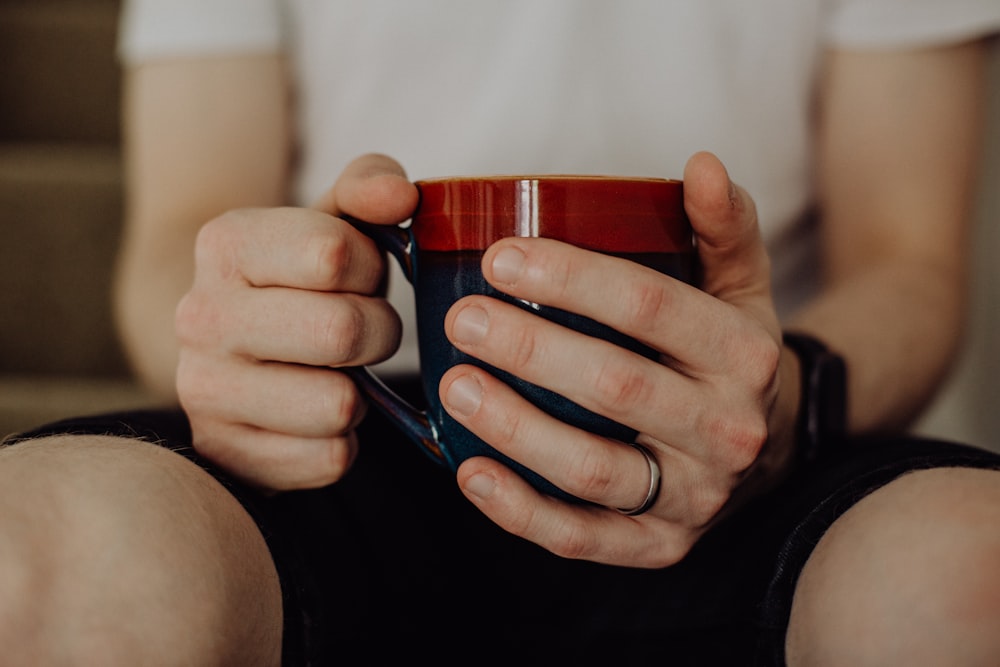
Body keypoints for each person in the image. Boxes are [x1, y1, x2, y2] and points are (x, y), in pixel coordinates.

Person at [2, 0, 1000, 664]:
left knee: (971, 576)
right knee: (35, 558)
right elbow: (179, 235)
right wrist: (242, 335)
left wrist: (782, 401)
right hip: (345, 440)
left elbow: (907, 257)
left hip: (748, 445)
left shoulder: (764, 420)